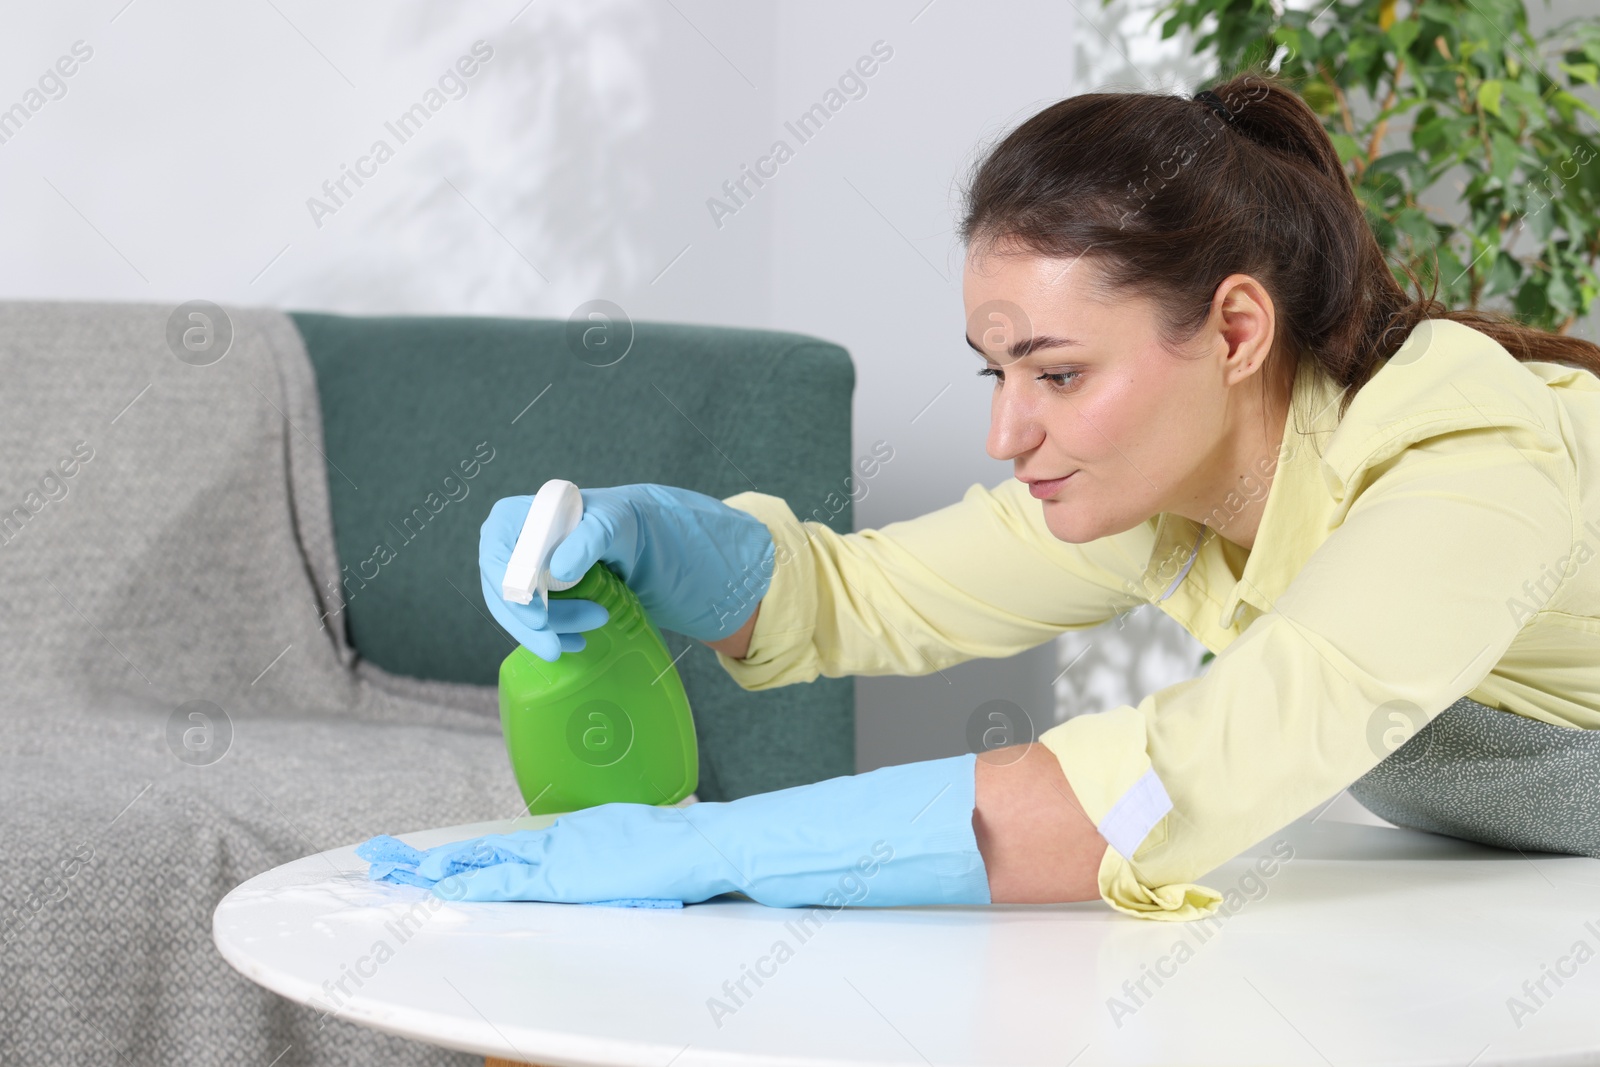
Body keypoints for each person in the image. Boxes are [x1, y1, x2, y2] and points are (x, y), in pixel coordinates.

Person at [362, 70, 1600, 921]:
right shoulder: (1174, 483)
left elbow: (1191, 773)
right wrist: (653, 547)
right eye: (997, 369)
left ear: (1233, 330)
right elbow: (862, 593)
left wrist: (718, 847)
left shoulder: (1469, 466)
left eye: (1058, 371)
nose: (1008, 430)